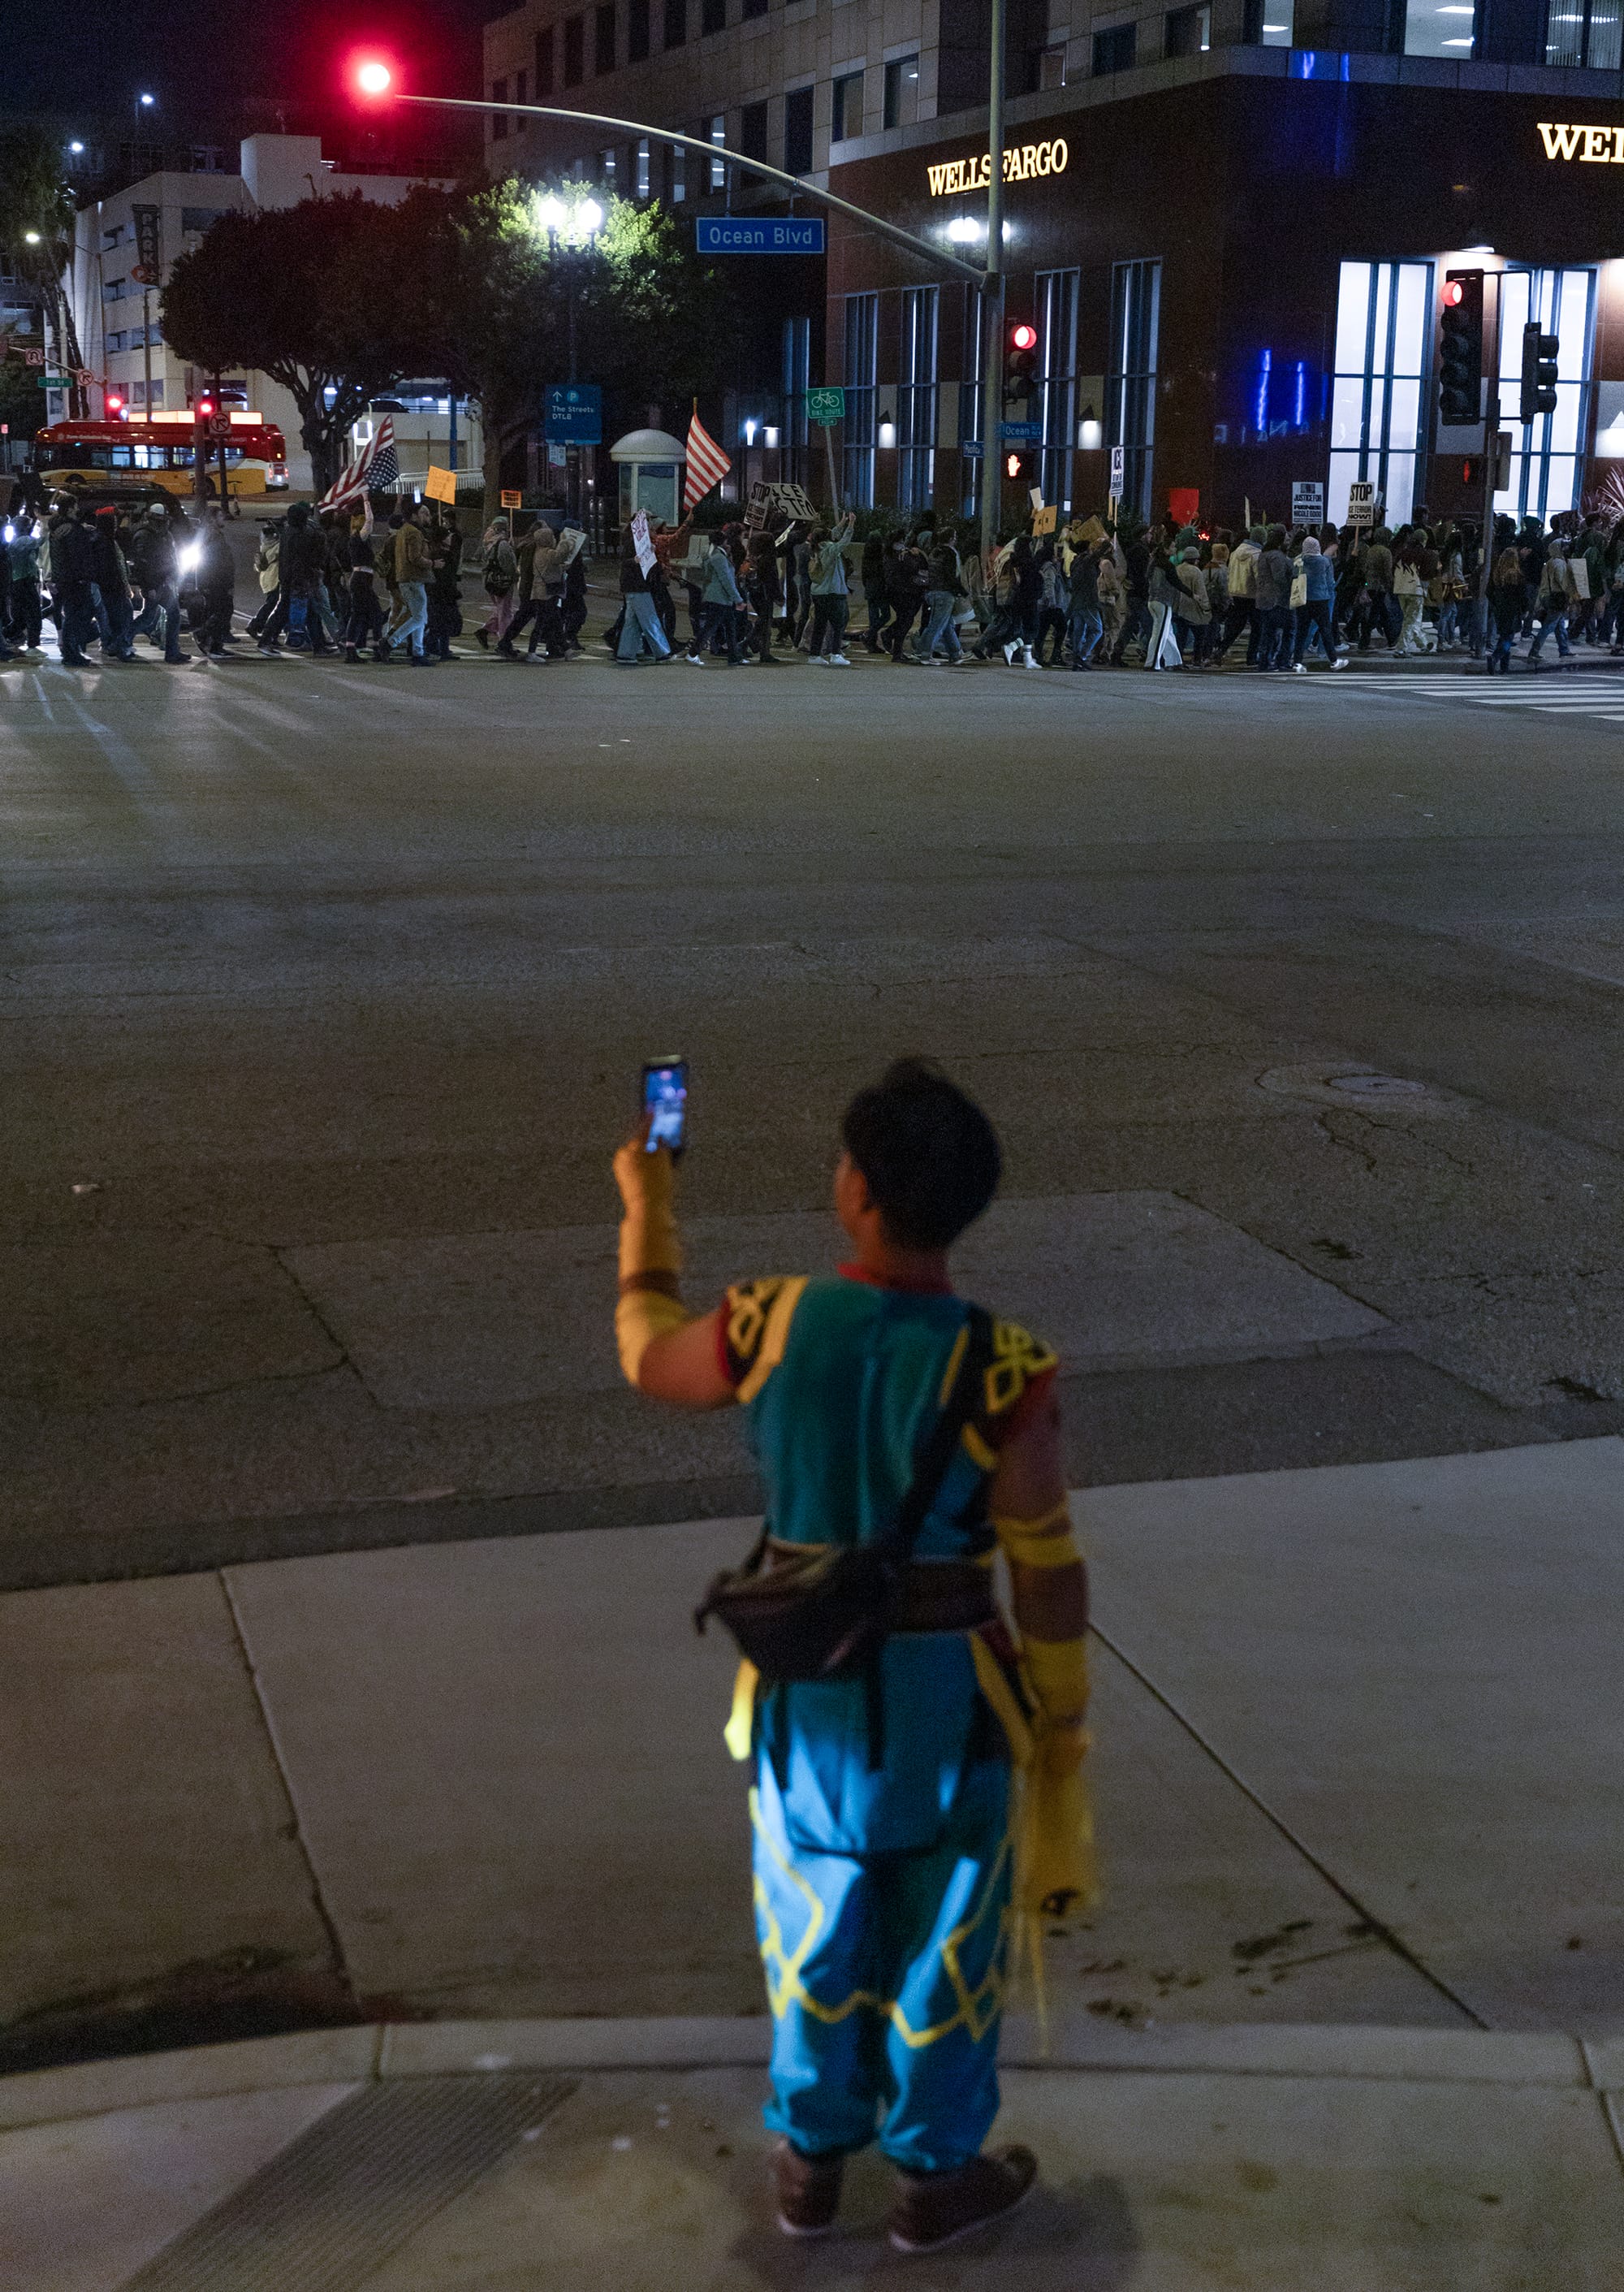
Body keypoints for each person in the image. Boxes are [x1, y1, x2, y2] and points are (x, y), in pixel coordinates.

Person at [611, 1057, 1093, 2255]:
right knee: (948, 1941)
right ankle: (933, 2175)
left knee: (810, 1922)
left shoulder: (770, 1320)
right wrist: (1065, 1722)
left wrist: (648, 1207)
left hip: (804, 1698)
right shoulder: (1006, 1366)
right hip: (954, 1703)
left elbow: (645, 1351)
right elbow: (1045, 1561)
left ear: (861, 1195)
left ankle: (809, 2170)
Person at [130, 504, 190, 663]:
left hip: (162, 582)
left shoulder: (159, 534)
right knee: (149, 617)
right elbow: (143, 564)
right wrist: (148, 587)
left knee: (161, 616)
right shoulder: (146, 535)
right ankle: (122, 642)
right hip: (156, 584)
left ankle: (172, 652)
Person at [615, 517, 674, 667]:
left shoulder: (635, 542)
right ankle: (662, 652)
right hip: (638, 586)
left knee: (632, 623)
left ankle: (626, 654)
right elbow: (626, 562)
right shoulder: (633, 543)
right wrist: (637, 560)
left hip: (633, 587)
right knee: (650, 620)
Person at [686, 530, 747, 665]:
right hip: (719, 598)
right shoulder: (719, 557)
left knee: (730, 627)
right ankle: (692, 653)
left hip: (720, 599)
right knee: (711, 627)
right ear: (724, 542)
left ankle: (734, 656)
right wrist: (738, 599)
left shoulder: (713, 554)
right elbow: (726, 580)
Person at [50, 500, 98, 665]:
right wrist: (83, 575)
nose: (78, 508)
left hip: (65, 578)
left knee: (75, 614)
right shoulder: (72, 529)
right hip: (74, 579)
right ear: (70, 509)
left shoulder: (60, 528)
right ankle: (72, 650)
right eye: (76, 506)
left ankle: (72, 649)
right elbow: (77, 555)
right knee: (80, 613)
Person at [89, 507, 138, 661]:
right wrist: (123, 585)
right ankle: (118, 645)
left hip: (105, 586)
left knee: (110, 617)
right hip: (112, 586)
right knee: (123, 615)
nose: (116, 525)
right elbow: (113, 566)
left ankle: (110, 644)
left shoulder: (99, 539)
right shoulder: (106, 542)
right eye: (113, 523)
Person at [808, 511, 857, 664]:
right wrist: (851, 525)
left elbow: (832, 534)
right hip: (832, 592)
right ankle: (836, 654)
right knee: (838, 624)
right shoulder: (829, 549)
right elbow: (843, 542)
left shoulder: (816, 548)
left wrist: (842, 523)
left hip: (818, 592)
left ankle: (814, 655)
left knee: (820, 625)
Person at [342, 505, 389, 663]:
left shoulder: (355, 540)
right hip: (361, 579)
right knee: (374, 614)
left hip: (360, 579)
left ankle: (351, 648)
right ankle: (376, 647)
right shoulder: (358, 538)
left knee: (359, 615)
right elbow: (370, 521)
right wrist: (367, 501)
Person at [1290, 534, 1343, 670]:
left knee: (1301, 631)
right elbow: (1330, 582)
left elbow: (1293, 576)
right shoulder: (1324, 561)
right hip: (1320, 599)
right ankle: (1334, 661)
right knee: (1325, 630)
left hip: (1302, 599)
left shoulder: (1298, 560)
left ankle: (1297, 662)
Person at [196, 504, 237, 656]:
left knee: (221, 611)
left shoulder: (213, 534)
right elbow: (218, 561)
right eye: (220, 516)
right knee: (221, 612)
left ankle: (215, 644)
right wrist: (226, 582)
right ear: (212, 519)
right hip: (216, 581)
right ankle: (206, 637)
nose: (223, 518)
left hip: (215, 580)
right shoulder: (213, 536)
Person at [1486, 543, 1527, 674]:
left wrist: (1496, 602)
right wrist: (1525, 609)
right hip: (1513, 609)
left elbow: (1488, 591)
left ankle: (1505, 667)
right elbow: (1522, 595)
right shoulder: (1516, 574)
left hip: (1500, 608)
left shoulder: (1497, 573)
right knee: (1508, 638)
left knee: (1504, 635)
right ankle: (1495, 657)